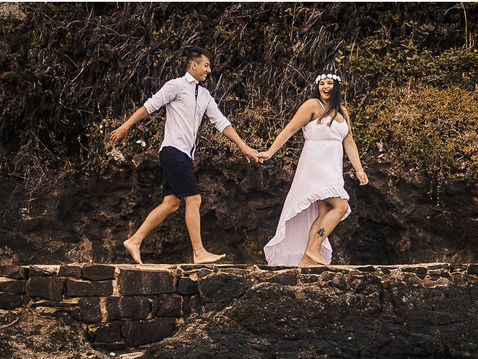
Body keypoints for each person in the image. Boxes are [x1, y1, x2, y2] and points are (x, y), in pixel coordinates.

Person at [109, 47, 260, 265]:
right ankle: (198, 252)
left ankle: (134, 240)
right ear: (193, 65)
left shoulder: (205, 95)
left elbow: (221, 122)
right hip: (173, 151)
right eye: (206, 65)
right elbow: (150, 106)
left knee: (171, 204)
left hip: (184, 155)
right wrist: (125, 127)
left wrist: (243, 146)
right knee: (194, 199)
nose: (209, 70)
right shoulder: (176, 86)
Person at [259, 72, 369, 266]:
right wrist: (270, 152)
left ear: (337, 87)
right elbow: (290, 129)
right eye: (321, 84)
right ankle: (312, 249)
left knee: (326, 211)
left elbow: (349, 141)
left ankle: (306, 258)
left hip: (333, 168)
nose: (325, 87)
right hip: (315, 165)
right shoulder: (312, 105)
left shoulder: (343, 111)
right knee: (341, 206)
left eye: (329, 83)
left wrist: (359, 169)